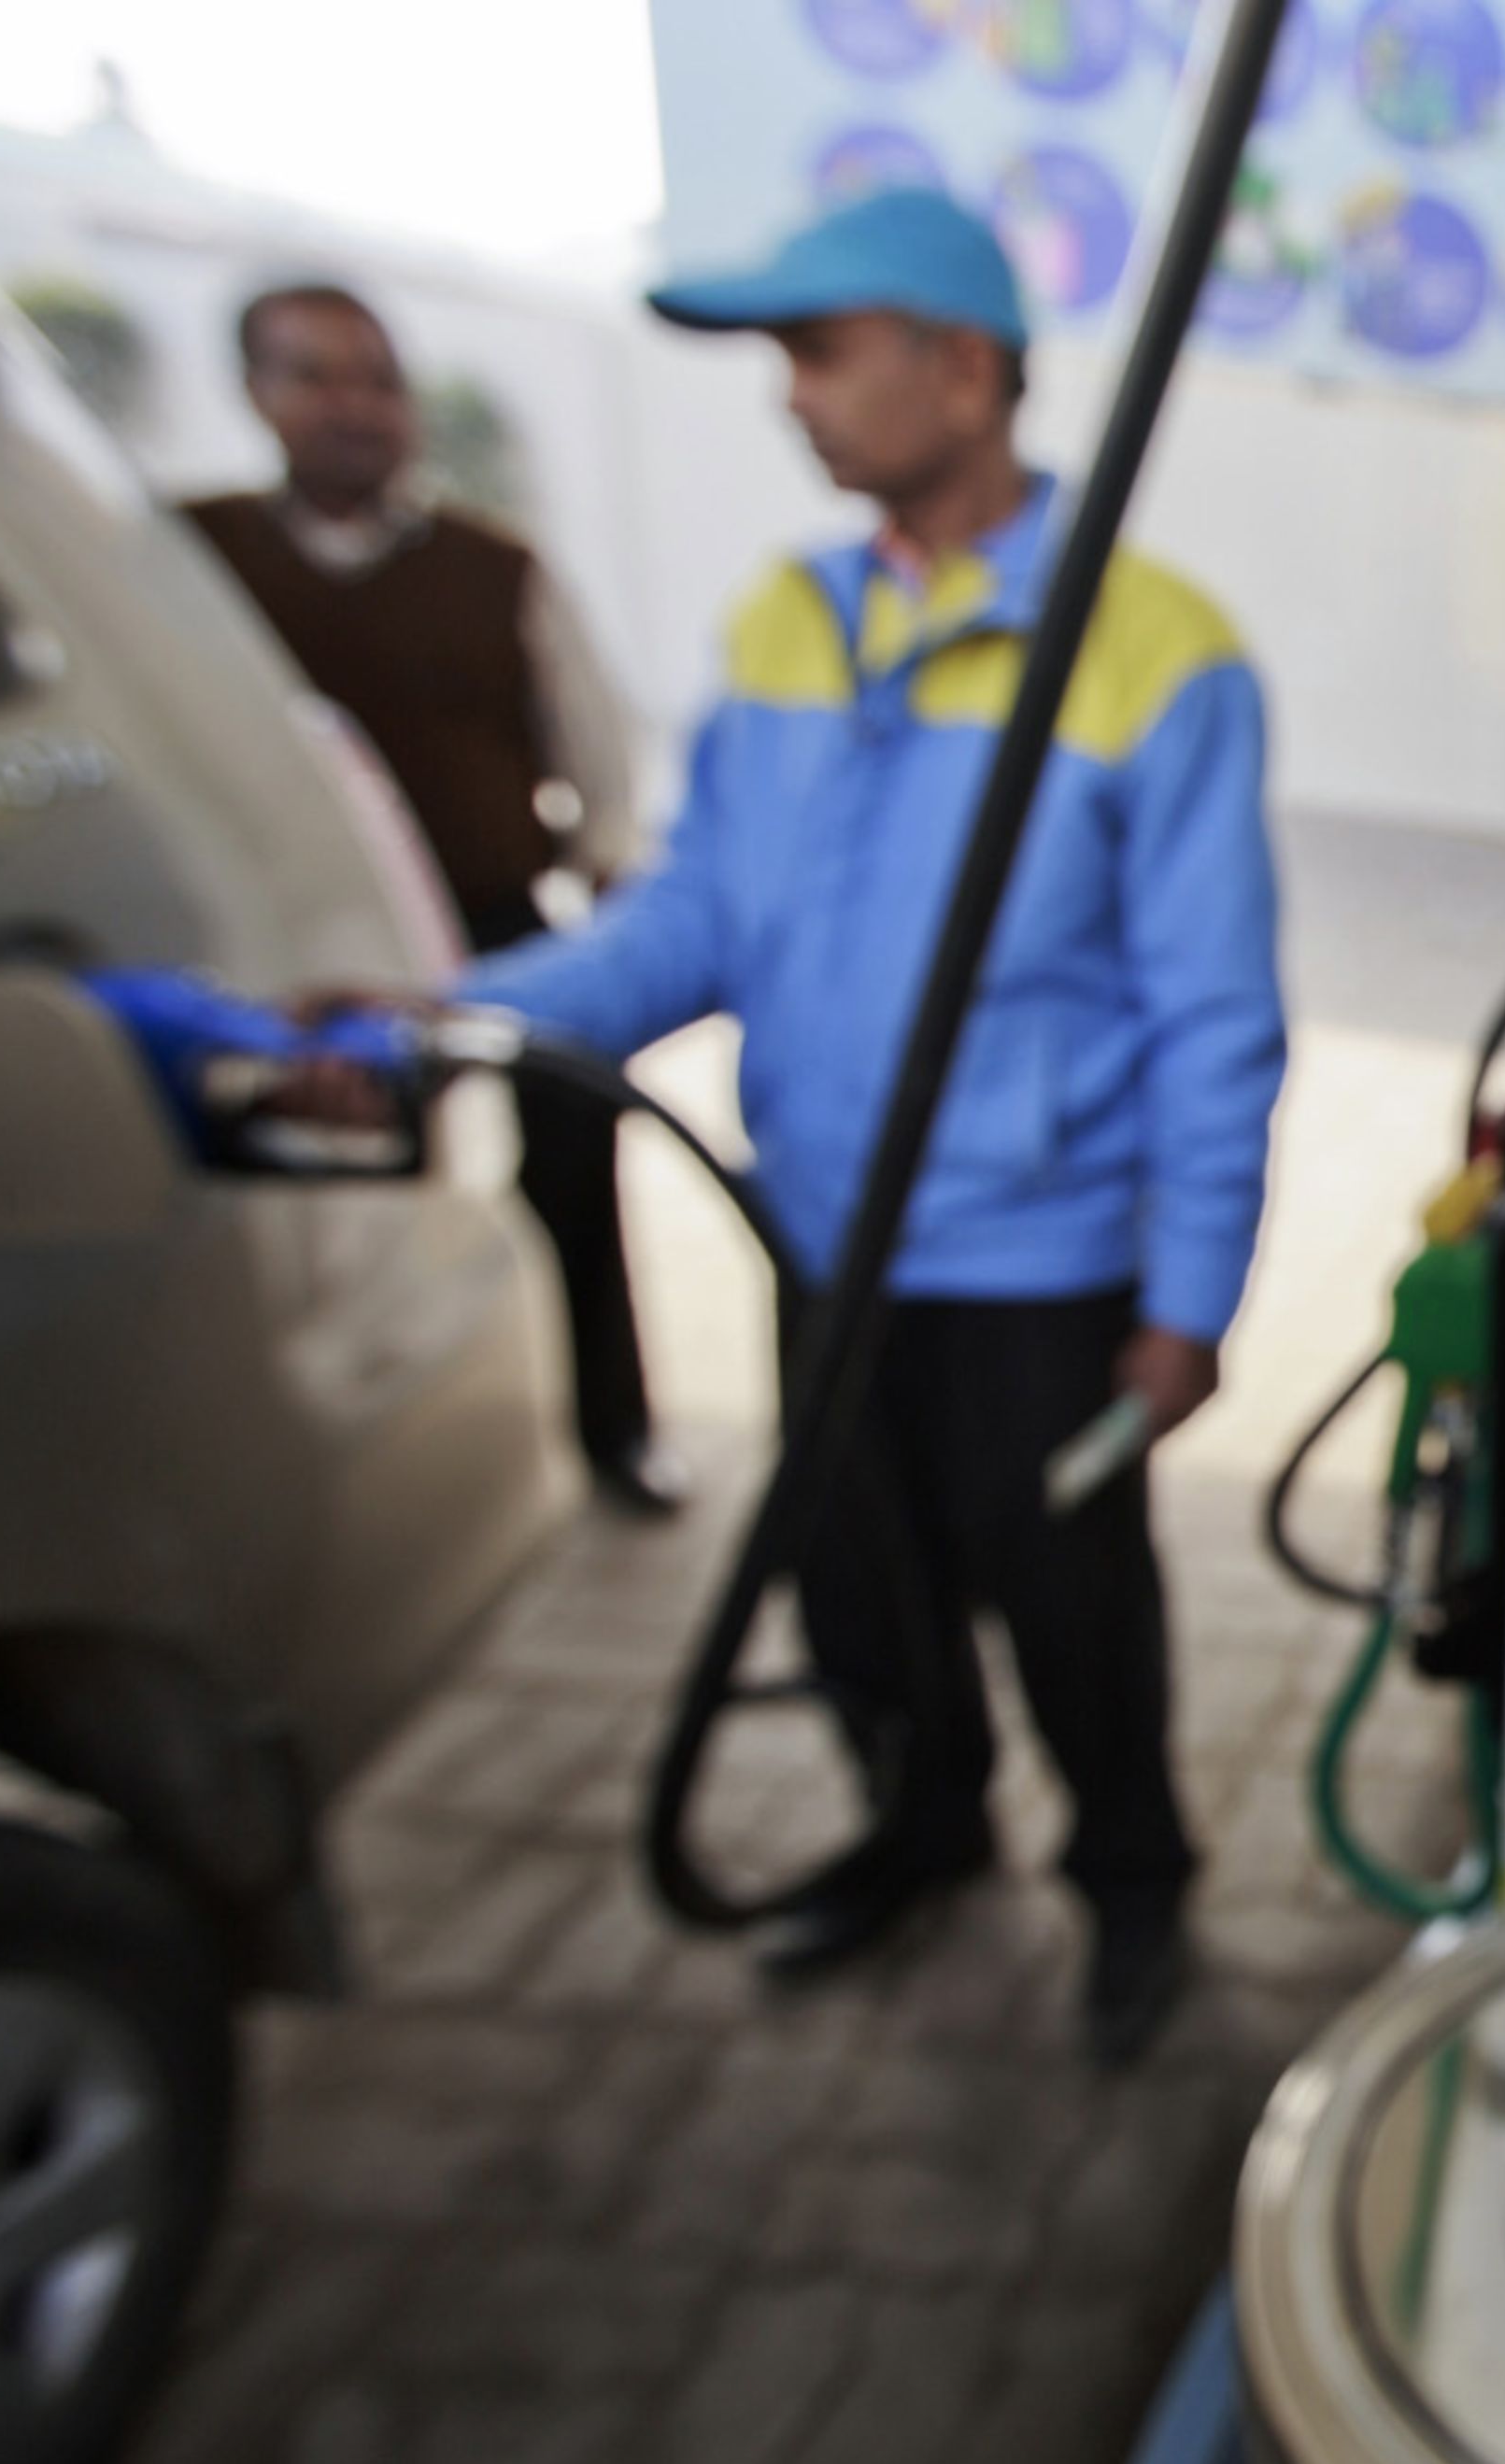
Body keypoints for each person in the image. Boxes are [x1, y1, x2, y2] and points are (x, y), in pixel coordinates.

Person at [446, 189, 1285, 2062]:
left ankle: (1132, 1885)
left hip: (1038, 1265)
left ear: (964, 368)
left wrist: (1192, 1302)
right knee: (855, 1593)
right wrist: (463, 1016)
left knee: (1074, 1612)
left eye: (820, 354)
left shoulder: (1153, 653)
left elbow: (1215, 1019)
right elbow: (692, 921)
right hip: (816, 1235)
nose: (789, 399)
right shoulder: (784, 624)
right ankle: (923, 1832)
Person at [186, 284, 688, 1517]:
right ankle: (360, 1469)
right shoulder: (196, 560)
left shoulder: (492, 565)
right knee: (322, 1180)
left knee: (575, 1154)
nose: (354, 406)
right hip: (307, 931)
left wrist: (614, 881)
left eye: (377, 378)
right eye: (317, 375)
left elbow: (592, 745)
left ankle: (613, 1427)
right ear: (257, 393)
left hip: (490, 911)